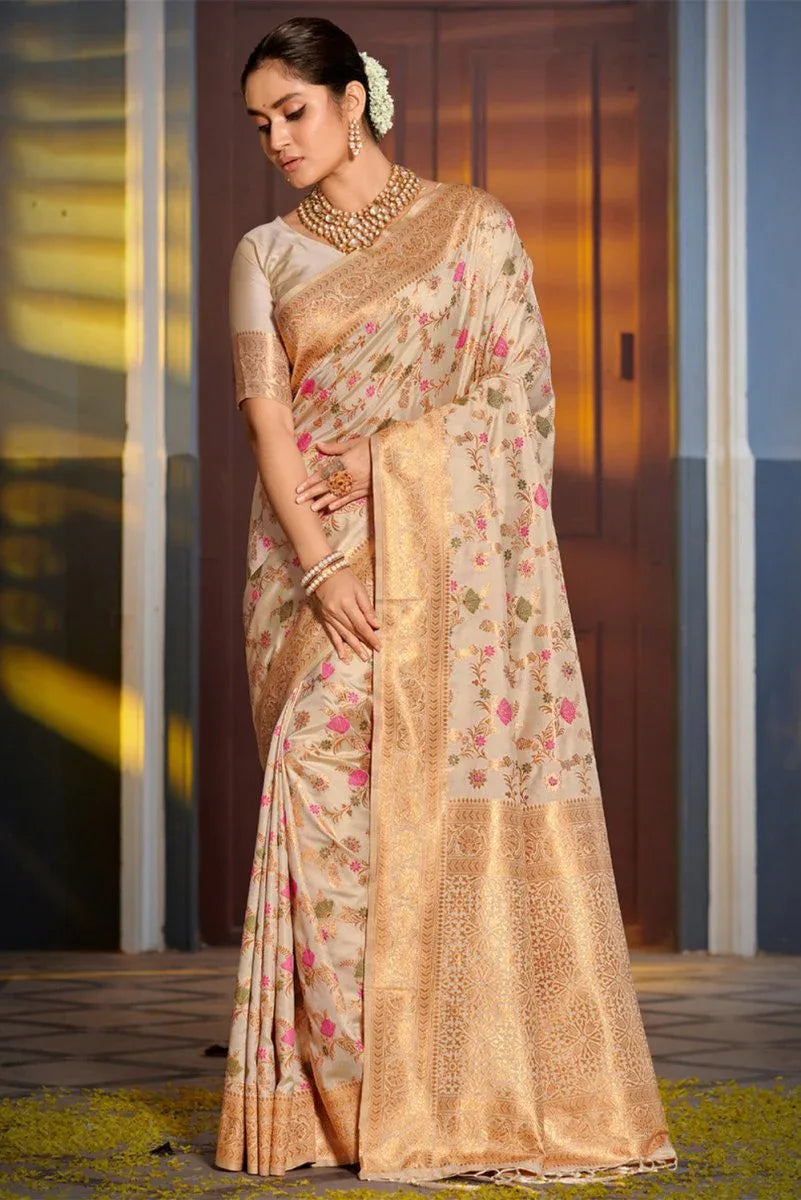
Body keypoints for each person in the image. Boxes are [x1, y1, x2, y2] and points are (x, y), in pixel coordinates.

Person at [213, 14, 678, 1189]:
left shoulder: (474, 229)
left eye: (293, 112)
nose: (278, 139)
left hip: (446, 569)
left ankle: (451, 1089)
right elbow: (269, 422)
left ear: (351, 99)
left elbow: (520, 412)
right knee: (321, 793)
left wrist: (385, 462)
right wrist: (322, 570)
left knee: (427, 814)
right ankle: (344, 1104)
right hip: (309, 568)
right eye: (260, 124)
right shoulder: (262, 254)